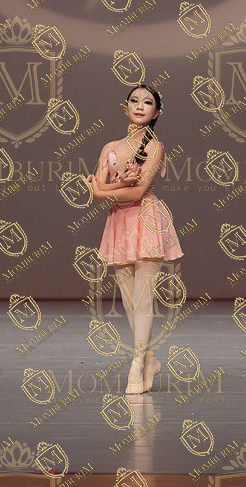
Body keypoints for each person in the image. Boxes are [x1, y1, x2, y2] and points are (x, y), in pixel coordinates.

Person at [86, 84, 184, 394]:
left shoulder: (155, 147)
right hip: (119, 222)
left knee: (142, 300)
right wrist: (110, 188)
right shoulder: (110, 147)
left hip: (147, 220)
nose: (140, 106)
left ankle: (136, 364)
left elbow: (137, 191)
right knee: (129, 303)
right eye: (134, 100)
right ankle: (151, 359)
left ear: (157, 112)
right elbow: (96, 187)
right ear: (125, 107)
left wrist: (106, 190)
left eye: (148, 102)